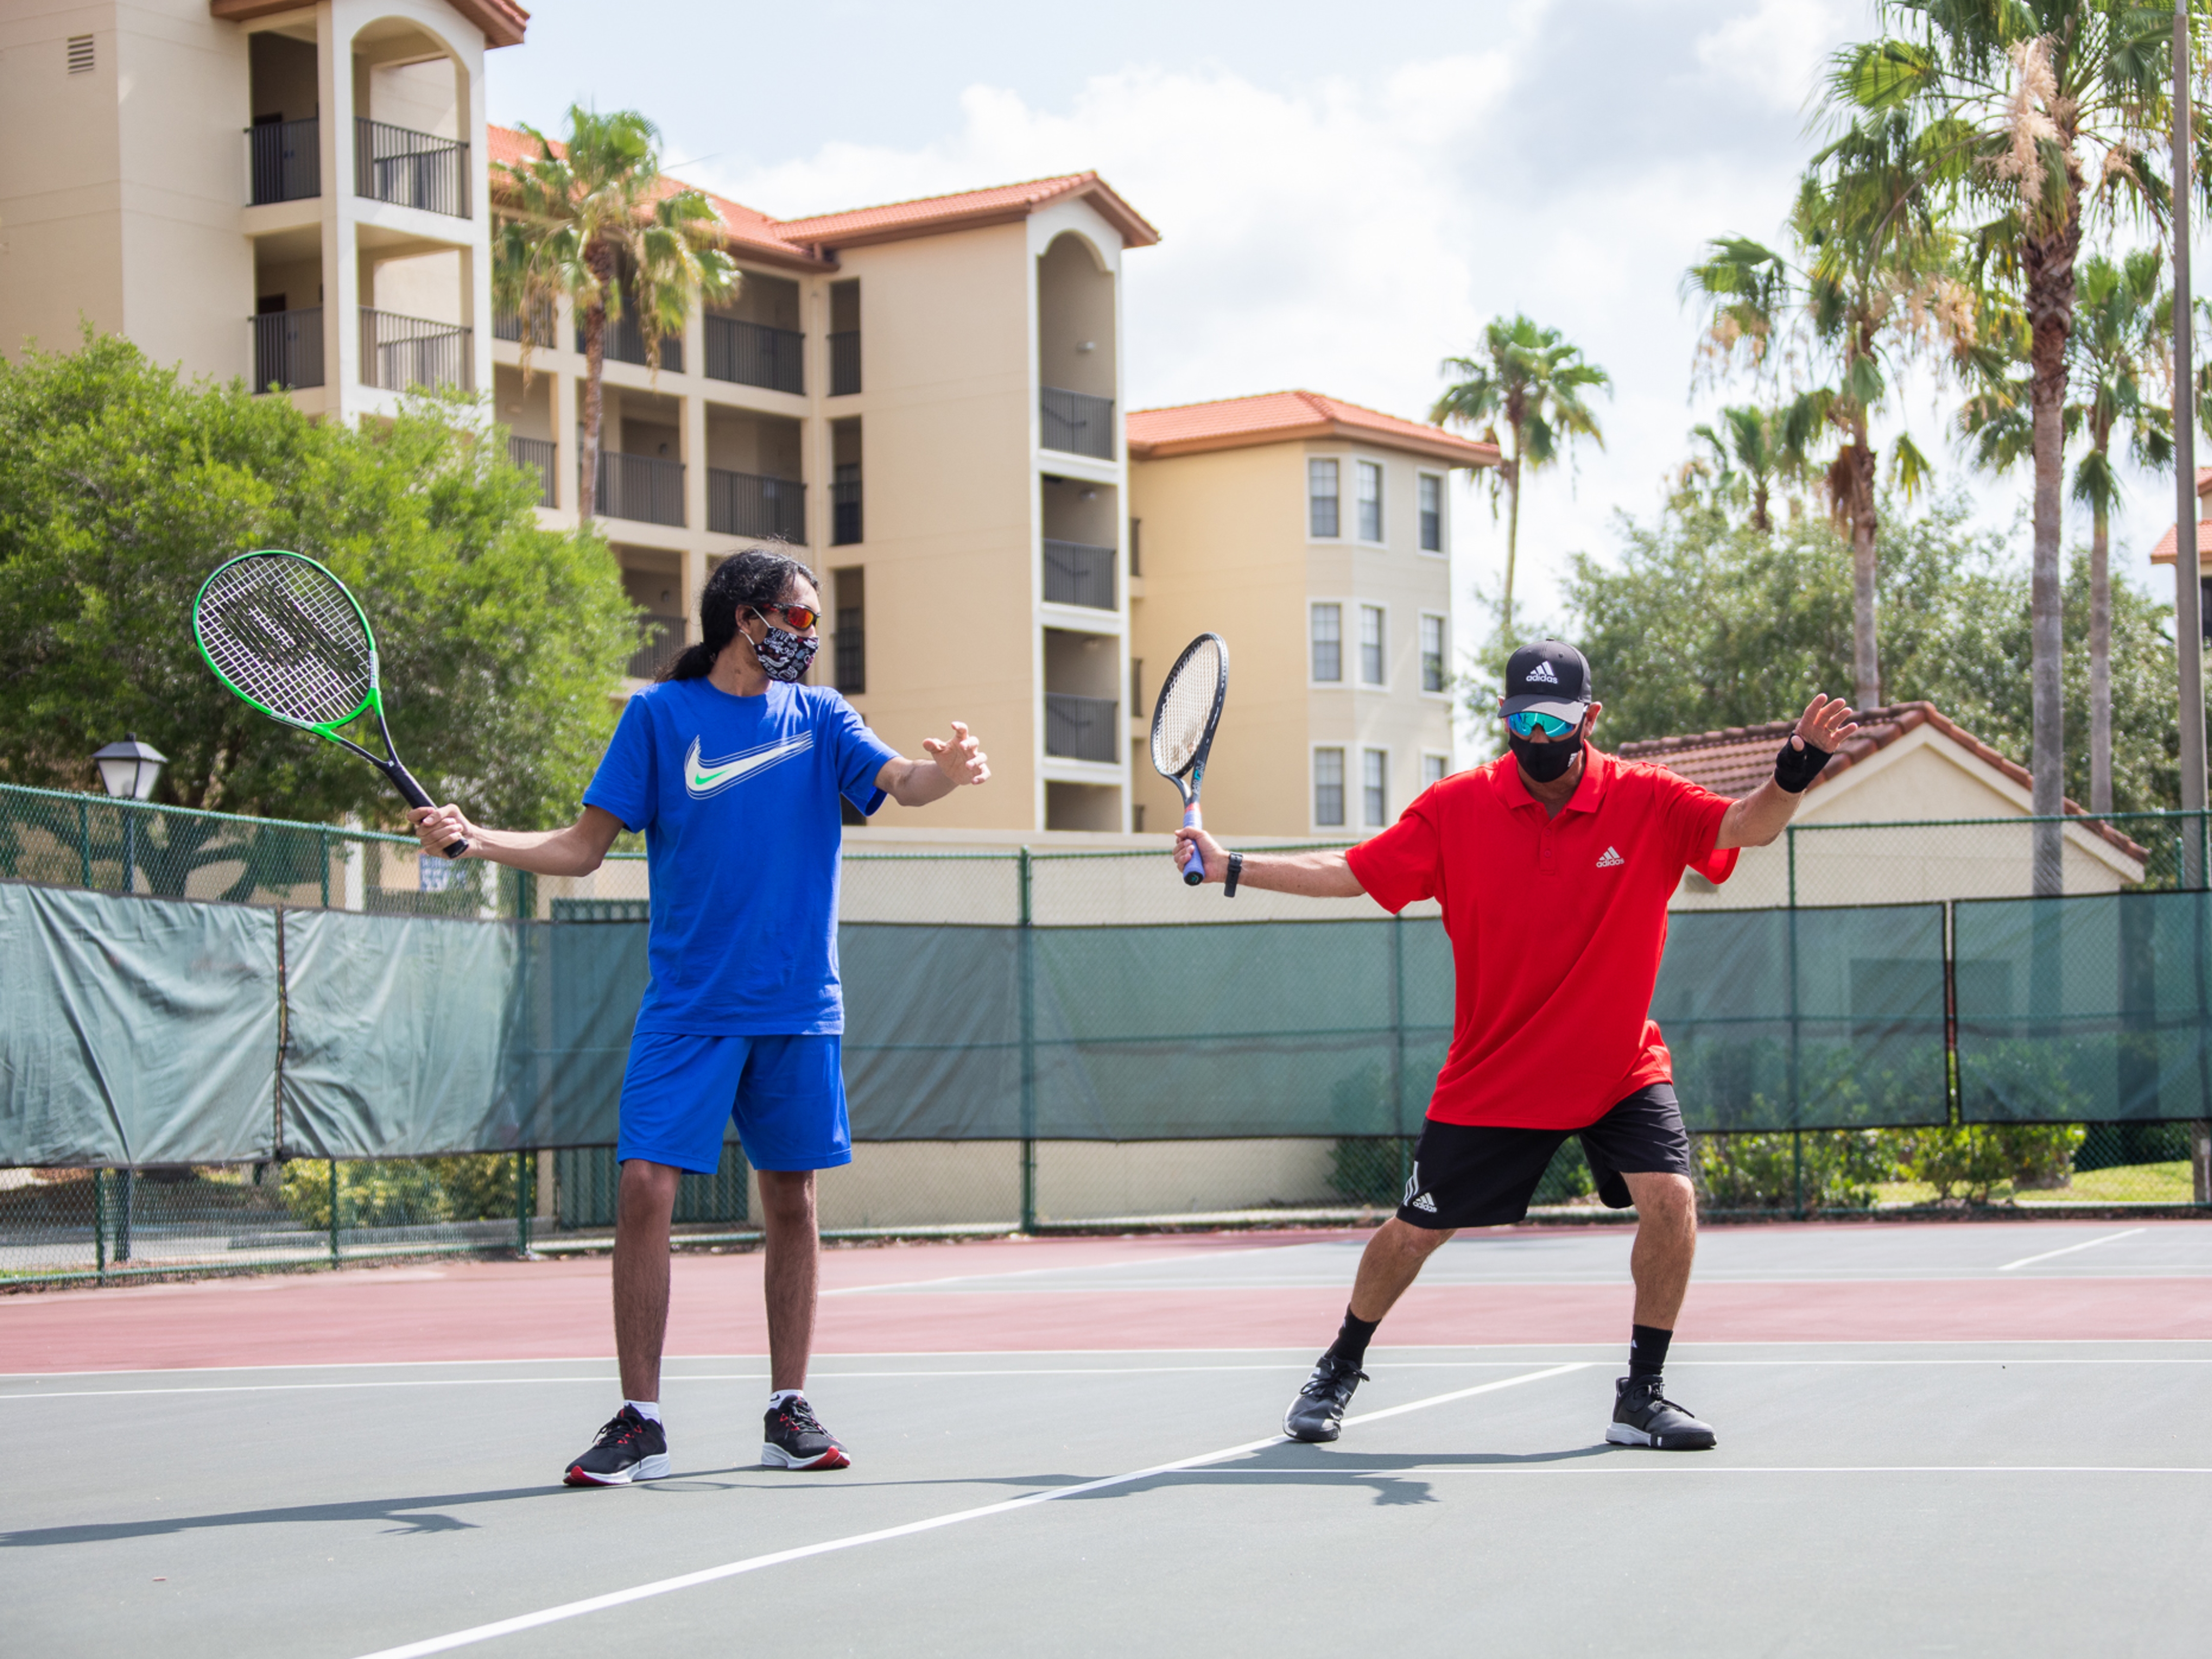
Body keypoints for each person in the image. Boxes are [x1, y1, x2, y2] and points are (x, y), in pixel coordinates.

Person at [1175, 639, 1856, 1451]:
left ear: (1589, 719)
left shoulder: (1648, 801)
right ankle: (1338, 1364)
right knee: (1415, 1232)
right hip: (1496, 1074)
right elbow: (1352, 871)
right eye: (1519, 719)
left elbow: (1748, 827)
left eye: (1553, 719)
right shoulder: (1456, 809)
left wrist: (1796, 769)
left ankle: (1642, 1396)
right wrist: (1232, 866)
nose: (1535, 735)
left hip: (1617, 1067)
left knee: (1671, 1201)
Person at [407, 548, 990, 1485]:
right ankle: (640, 1419)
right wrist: (476, 839)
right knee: (645, 1188)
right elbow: (581, 847)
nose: (812, 635)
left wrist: (948, 775)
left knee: (792, 1202)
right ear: (746, 619)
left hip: (800, 1006)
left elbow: (900, 782)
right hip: (689, 1008)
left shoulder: (824, 717)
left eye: (814, 620)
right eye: (798, 619)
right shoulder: (658, 717)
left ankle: (786, 1411)